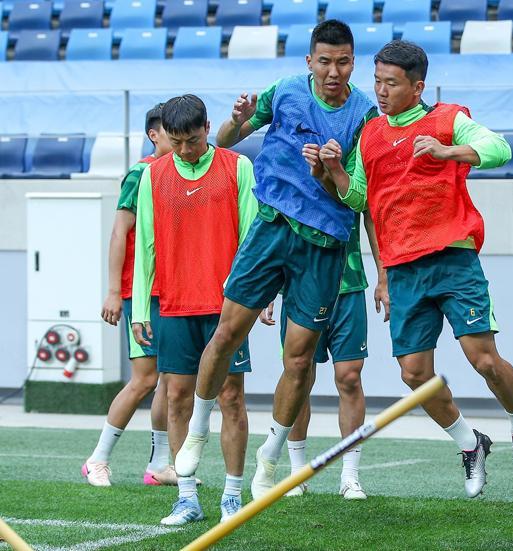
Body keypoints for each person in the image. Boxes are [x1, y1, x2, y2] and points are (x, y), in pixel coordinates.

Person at [307, 40, 513, 499]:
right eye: (377, 82)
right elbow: (359, 198)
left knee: (483, 359)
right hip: (403, 268)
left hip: (453, 258)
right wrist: (332, 170)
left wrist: (447, 151)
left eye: (391, 83)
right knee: (414, 375)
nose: (381, 91)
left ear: (417, 87)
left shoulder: (447, 118)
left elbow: (498, 149)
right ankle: (471, 444)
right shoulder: (370, 134)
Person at [173, 20, 378, 502]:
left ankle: (271, 456)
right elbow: (227, 139)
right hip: (271, 228)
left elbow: (359, 197)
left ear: (353, 63)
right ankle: (198, 431)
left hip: (323, 247)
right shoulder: (285, 91)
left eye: (343, 62)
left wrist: (330, 171)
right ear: (310, 62)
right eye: (324, 61)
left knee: (300, 359)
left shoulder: (365, 115)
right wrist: (237, 118)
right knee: (226, 332)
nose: (333, 71)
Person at [131, 94, 258, 525]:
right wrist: (139, 310)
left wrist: (258, 296)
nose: (184, 150)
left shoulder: (238, 167)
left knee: (231, 398)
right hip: (174, 304)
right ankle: (187, 498)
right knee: (177, 397)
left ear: (207, 128)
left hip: (227, 309)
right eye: (176, 141)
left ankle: (232, 497)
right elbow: (145, 246)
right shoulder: (152, 176)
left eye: (192, 140)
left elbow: (251, 241)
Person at [83, 104, 174, 488]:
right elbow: (120, 232)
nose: (180, 139)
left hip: (171, 292)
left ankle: (159, 465)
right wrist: (112, 292)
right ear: (154, 135)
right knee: (144, 379)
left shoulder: (177, 173)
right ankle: (97, 459)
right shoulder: (140, 174)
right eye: (171, 131)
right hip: (142, 295)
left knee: (170, 379)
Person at [281, 211, 384, 500]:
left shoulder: (352, 178)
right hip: (300, 285)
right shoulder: (289, 178)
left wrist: (384, 276)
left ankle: (350, 476)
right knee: (298, 377)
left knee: (349, 377)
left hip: (348, 282)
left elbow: (371, 217)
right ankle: (297, 473)